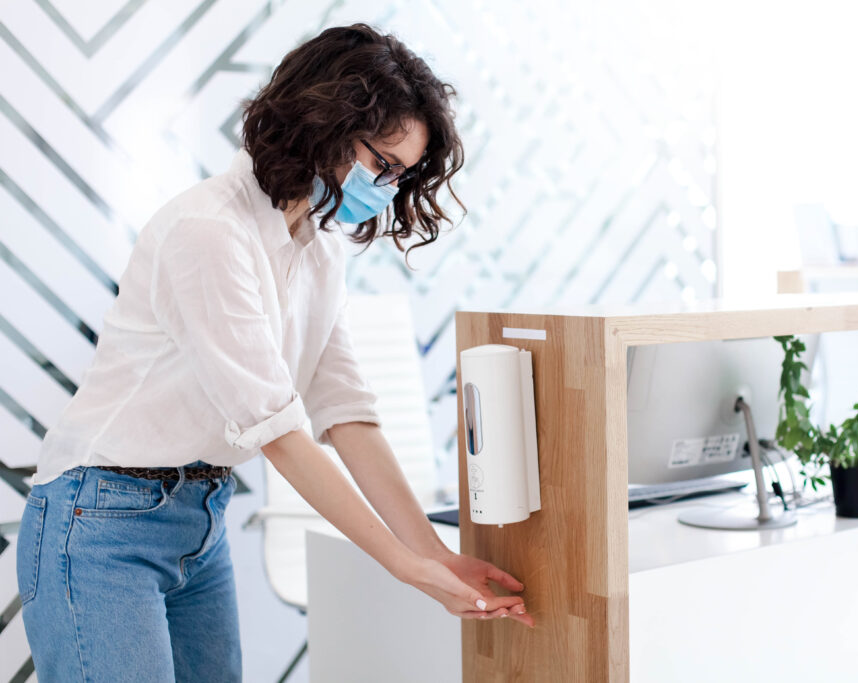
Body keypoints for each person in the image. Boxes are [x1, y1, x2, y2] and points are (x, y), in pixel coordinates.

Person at [16, 23, 533, 682]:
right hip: (98, 521)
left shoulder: (318, 254)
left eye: (401, 176)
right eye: (383, 165)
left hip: (199, 518)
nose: (389, 190)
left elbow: (346, 410)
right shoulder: (207, 233)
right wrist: (406, 568)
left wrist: (435, 551)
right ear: (323, 121)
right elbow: (279, 430)